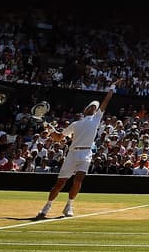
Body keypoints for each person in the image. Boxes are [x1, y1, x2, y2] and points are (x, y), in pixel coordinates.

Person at [35, 85, 114, 219]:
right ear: (85, 109)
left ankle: (69, 205)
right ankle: (47, 205)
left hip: (86, 154)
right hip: (72, 154)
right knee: (60, 183)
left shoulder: (96, 119)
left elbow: (106, 101)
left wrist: (112, 86)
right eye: (91, 106)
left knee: (78, 181)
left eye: (95, 107)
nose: (93, 108)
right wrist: (48, 128)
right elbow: (59, 138)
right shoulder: (75, 124)